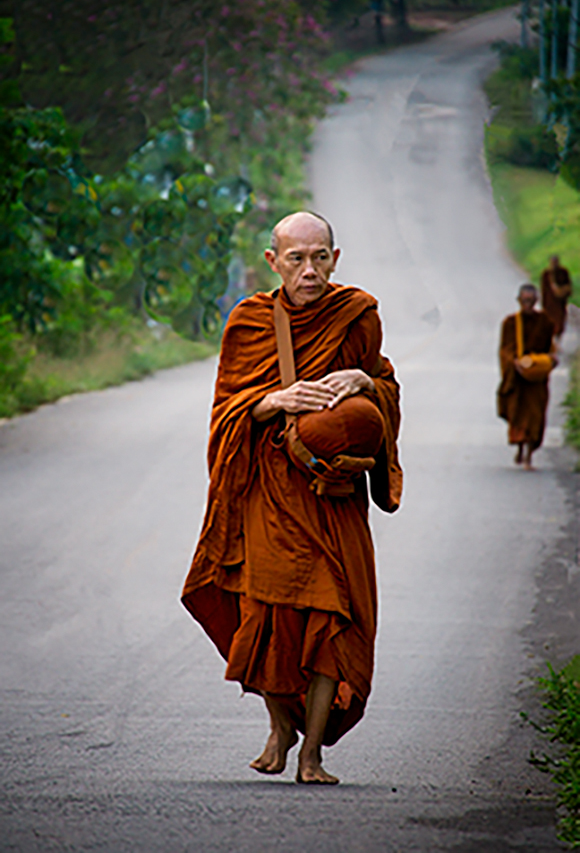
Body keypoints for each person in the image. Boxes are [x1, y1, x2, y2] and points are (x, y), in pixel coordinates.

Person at [181, 211, 402, 785]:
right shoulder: (249, 321)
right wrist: (276, 401)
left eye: (320, 256)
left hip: (333, 491)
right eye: (297, 258)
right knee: (269, 612)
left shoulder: (357, 315)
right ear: (273, 261)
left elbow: (384, 385)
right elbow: (227, 409)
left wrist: (365, 384)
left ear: (336, 257)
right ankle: (280, 726)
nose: (310, 270)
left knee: (334, 609)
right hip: (271, 486)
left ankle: (312, 756)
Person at [497, 283, 555, 470]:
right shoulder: (510, 324)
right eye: (524, 301)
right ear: (519, 301)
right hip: (517, 378)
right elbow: (505, 350)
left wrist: (549, 361)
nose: (527, 305)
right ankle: (521, 449)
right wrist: (513, 364)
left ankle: (529, 455)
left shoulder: (545, 322)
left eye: (531, 301)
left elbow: (549, 348)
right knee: (517, 415)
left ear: (536, 301)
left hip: (536, 380)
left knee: (536, 417)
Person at [541, 255, 572, 338]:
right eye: (552, 262)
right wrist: (544, 303)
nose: (554, 264)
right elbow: (543, 289)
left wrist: (565, 292)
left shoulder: (563, 272)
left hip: (560, 302)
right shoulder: (546, 274)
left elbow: (568, 284)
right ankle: (551, 339)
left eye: (556, 262)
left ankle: (558, 337)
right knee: (550, 321)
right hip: (550, 304)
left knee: (560, 321)